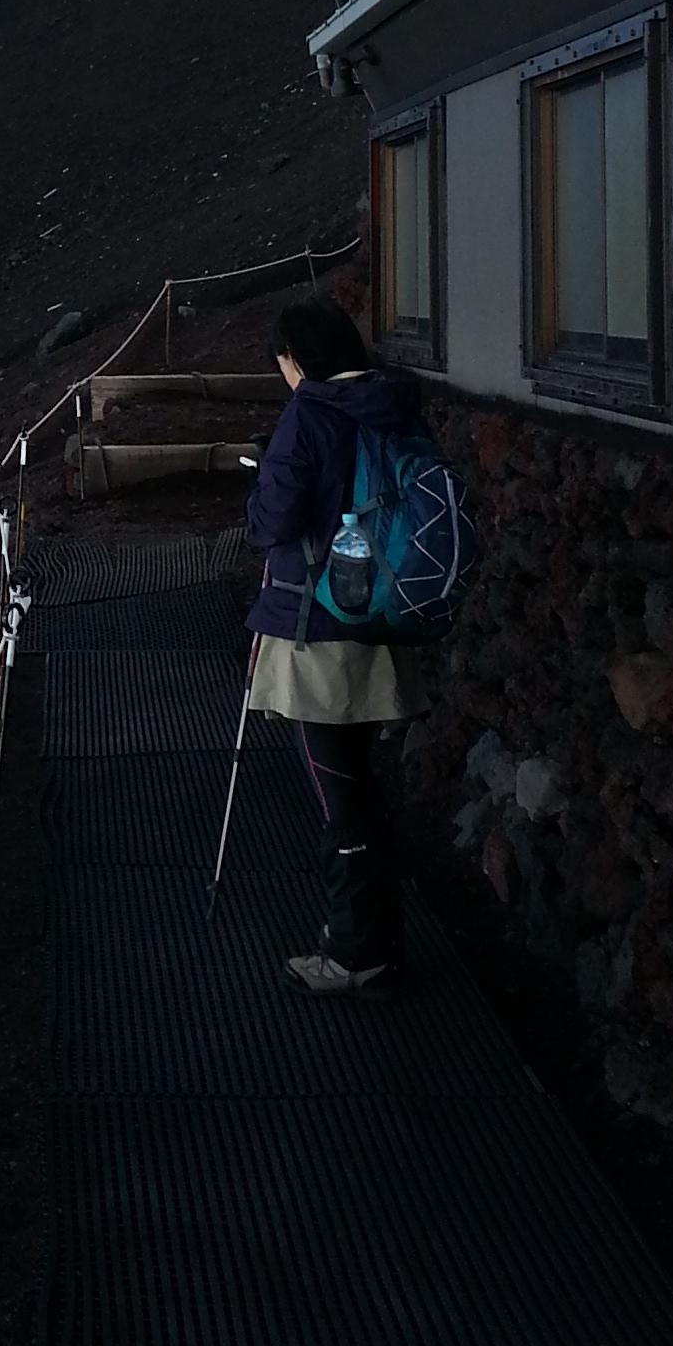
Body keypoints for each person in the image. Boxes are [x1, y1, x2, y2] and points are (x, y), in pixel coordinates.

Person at [243, 297, 429, 995]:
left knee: (339, 800)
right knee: (364, 789)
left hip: (316, 628)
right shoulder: (392, 404)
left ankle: (358, 957)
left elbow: (272, 523)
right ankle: (374, 938)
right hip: (383, 620)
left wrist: (260, 479)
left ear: (297, 360)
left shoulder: (308, 415)